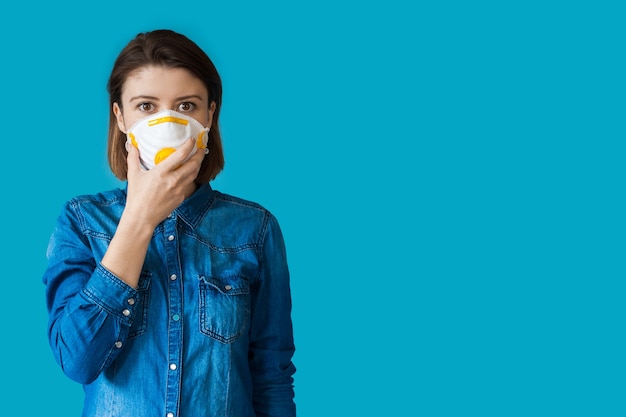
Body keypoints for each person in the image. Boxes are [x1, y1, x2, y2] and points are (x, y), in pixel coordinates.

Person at [42, 29, 296, 417]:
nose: (167, 122)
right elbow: (77, 360)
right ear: (121, 116)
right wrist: (140, 219)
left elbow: (271, 377)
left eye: (186, 106)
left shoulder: (255, 229)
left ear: (210, 114)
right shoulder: (82, 221)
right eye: (146, 106)